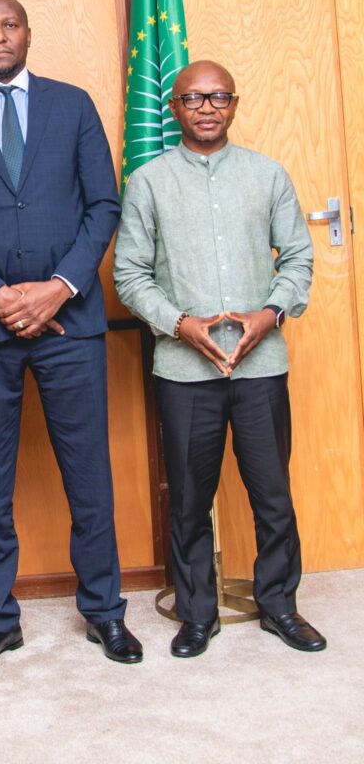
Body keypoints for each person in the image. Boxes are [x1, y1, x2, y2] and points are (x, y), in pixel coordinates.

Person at [0, 0, 141, 673]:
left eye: (9, 25)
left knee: (88, 475)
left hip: (69, 321)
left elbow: (104, 204)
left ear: (29, 34)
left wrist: (59, 287)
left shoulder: (72, 105)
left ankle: (105, 612)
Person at [114, 59, 326, 658]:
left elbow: (299, 258)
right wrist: (180, 325)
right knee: (187, 500)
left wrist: (272, 313)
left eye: (218, 97)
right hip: (184, 372)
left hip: (261, 368)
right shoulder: (149, 181)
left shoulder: (267, 175)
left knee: (272, 495)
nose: (206, 108)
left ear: (234, 105)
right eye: (193, 99)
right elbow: (128, 275)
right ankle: (196, 614)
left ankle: (279, 606)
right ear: (174, 109)